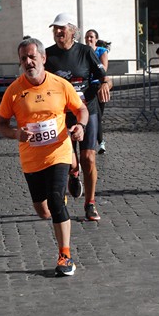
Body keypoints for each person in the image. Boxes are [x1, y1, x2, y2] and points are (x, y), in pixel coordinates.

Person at [0, 36, 89, 276]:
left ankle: (65, 256)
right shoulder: (14, 92)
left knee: (56, 201)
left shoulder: (60, 84)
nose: (28, 62)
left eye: (32, 56)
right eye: (23, 58)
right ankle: (64, 189)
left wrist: (80, 125)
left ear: (43, 58)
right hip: (31, 159)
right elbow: (1, 124)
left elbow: (81, 109)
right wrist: (16, 133)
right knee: (43, 210)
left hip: (59, 151)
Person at [45, 13, 111, 222]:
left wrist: (104, 85)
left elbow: (106, 78)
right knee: (68, 162)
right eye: (55, 29)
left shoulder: (85, 52)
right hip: (62, 114)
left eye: (61, 28)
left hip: (87, 109)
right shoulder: (48, 55)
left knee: (88, 158)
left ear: (72, 31)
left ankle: (90, 203)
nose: (57, 32)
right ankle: (74, 174)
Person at [84, 29, 110, 154]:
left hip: (98, 87)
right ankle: (99, 142)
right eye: (87, 37)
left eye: (91, 37)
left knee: (98, 116)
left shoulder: (101, 51)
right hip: (86, 88)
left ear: (96, 39)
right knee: (93, 116)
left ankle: (100, 141)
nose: (89, 39)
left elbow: (103, 70)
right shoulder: (83, 51)